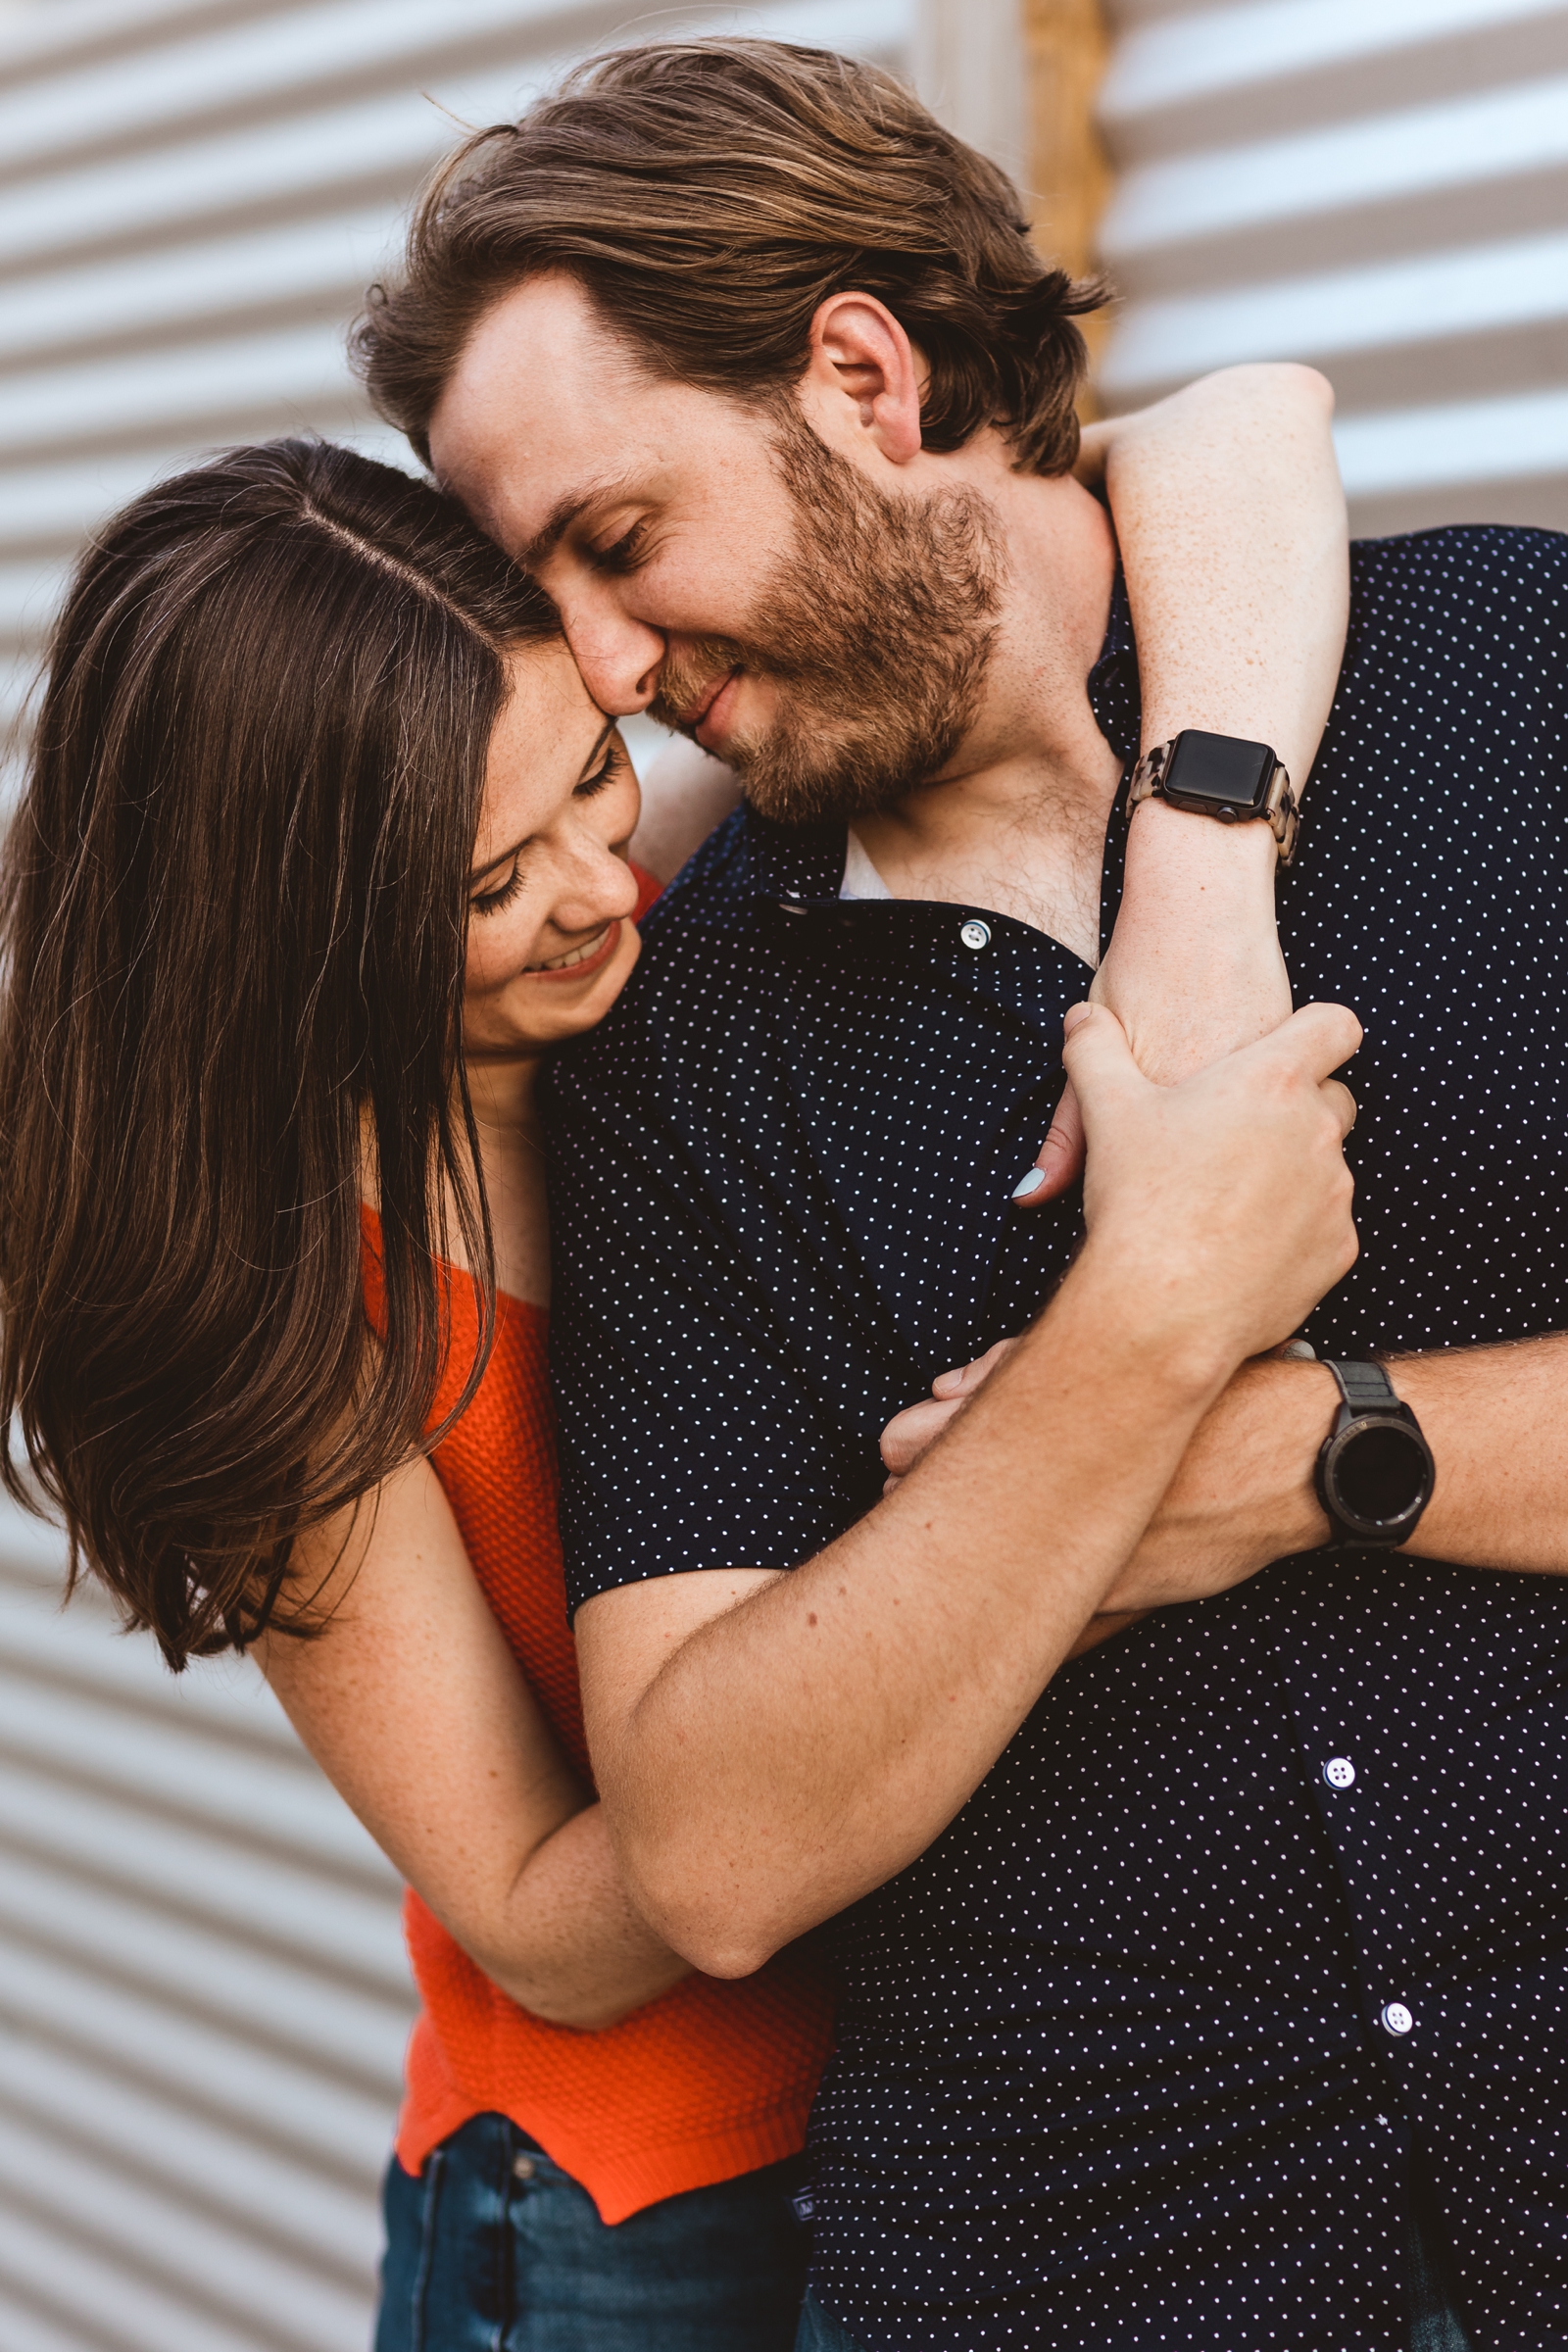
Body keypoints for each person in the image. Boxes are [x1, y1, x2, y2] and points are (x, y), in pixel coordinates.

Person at [355, 35, 1568, 2352]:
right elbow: (701, 1839)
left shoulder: (1504, 671)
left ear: (858, 375)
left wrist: (1315, 1459)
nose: (604, 678)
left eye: (618, 546)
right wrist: (1130, 1377)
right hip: (1087, 2261)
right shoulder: (669, 1044)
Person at [0, 371, 1348, 2350]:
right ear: (283, 922)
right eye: (479, 887)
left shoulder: (659, 943)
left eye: (591, 774)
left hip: (963, 2110)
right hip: (630, 2217)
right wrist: (1000, 1567)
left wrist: (1206, 869)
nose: (592, 887)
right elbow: (542, 1926)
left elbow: (1228, 427)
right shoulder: (276, 1310)